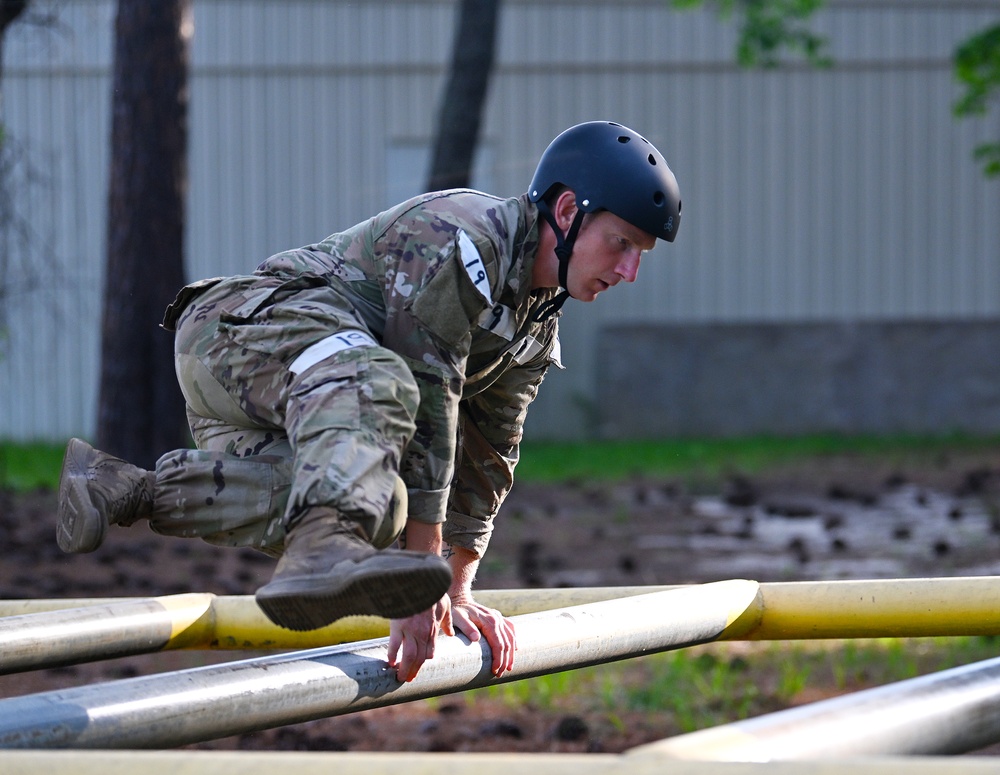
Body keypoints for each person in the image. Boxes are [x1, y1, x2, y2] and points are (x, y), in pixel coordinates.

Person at [57, 120, 682, 682]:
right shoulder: (464, 236)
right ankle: (325, 549)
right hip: (240, 338)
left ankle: (121, 487)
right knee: (385, 392)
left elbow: (489, 456)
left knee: (382, 511)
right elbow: (431, 400)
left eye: (640, 257)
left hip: (282, 410)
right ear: (569, 211)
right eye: (621, 244)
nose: (628, 271)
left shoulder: (535, 327)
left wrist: (456, 589)